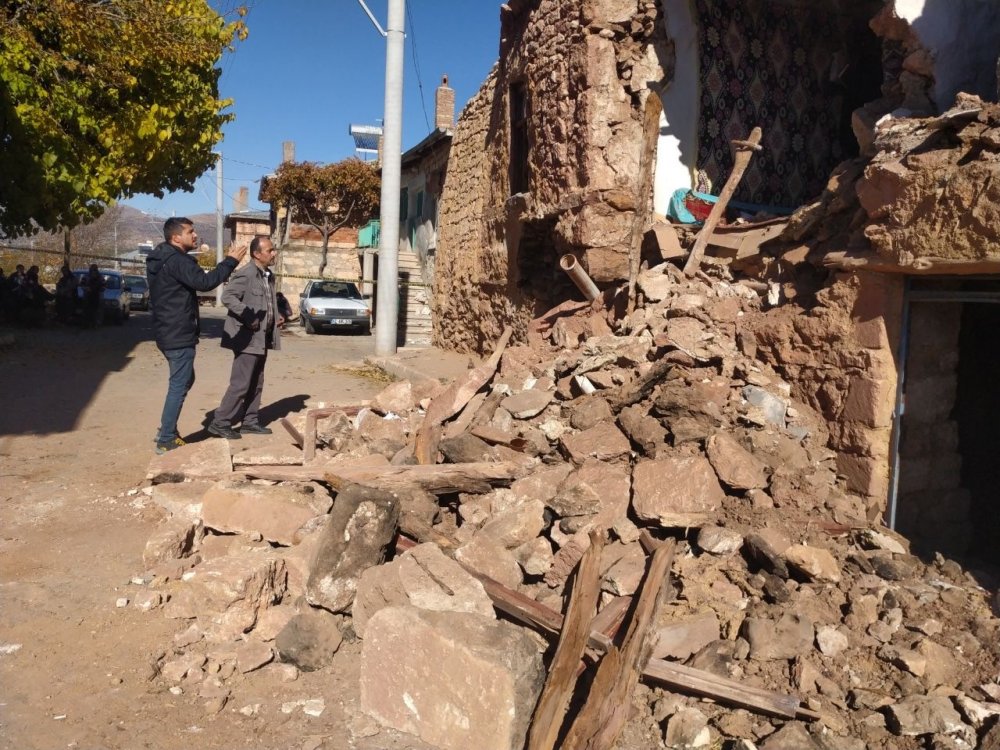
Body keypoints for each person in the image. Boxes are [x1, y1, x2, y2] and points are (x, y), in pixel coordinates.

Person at [147, 217, 247, 454]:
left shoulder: (161, 257)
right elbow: (205, 282)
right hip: (178, 332)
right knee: (179, 384)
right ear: (175, 237)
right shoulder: (177, 260)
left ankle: (166, 429)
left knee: (184, 380)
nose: (195, 236)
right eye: (190, 232)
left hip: (167, 330)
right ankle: (166, 439)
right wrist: (231, 261)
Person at [208, 236, 283, 439]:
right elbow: (227, 297)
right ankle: (220, 422)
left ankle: (250, 421)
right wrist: (248, 315)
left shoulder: (267, 275)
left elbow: (266, 302)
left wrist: (276, 316)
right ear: (257, 254)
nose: (273, 253)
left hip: (262, 338)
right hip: (247, 338)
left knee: (256, 382)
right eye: (269, 250)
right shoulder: (247, 274)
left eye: (273, 249)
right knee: (241, 383)